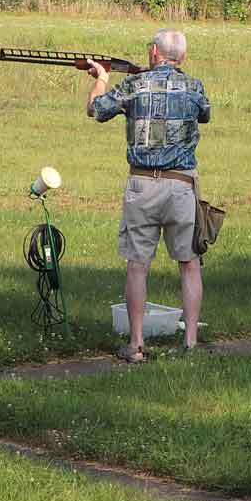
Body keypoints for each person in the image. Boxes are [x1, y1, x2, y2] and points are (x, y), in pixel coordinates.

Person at [86, 29, 211, 362]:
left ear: (154, 51)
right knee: (189, 264)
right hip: (182, 185)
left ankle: (136, 345)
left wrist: (101, 77)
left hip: (142, 184)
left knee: (138, 266)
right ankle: (190, 343)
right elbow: (205, 113)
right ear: (181, 56)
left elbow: (96, 110)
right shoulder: (194, 86)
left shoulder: (133, 85)